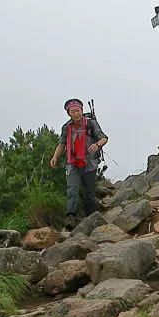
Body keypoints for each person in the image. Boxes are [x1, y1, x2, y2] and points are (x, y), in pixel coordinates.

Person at [49, 98, 108, 229]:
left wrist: (97, 144)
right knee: (72, 189)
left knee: (89, 192)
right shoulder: (66, 127)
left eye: (78, 110)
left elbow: (104, 138)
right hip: (72, 162)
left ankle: (91, 218)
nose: (76, 113)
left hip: (89, 162)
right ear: (68, 113)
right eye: (73, 111)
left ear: (81, 110)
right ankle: (71, 217)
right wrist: (55, 157)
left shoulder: (91, 124)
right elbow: (62, 143)